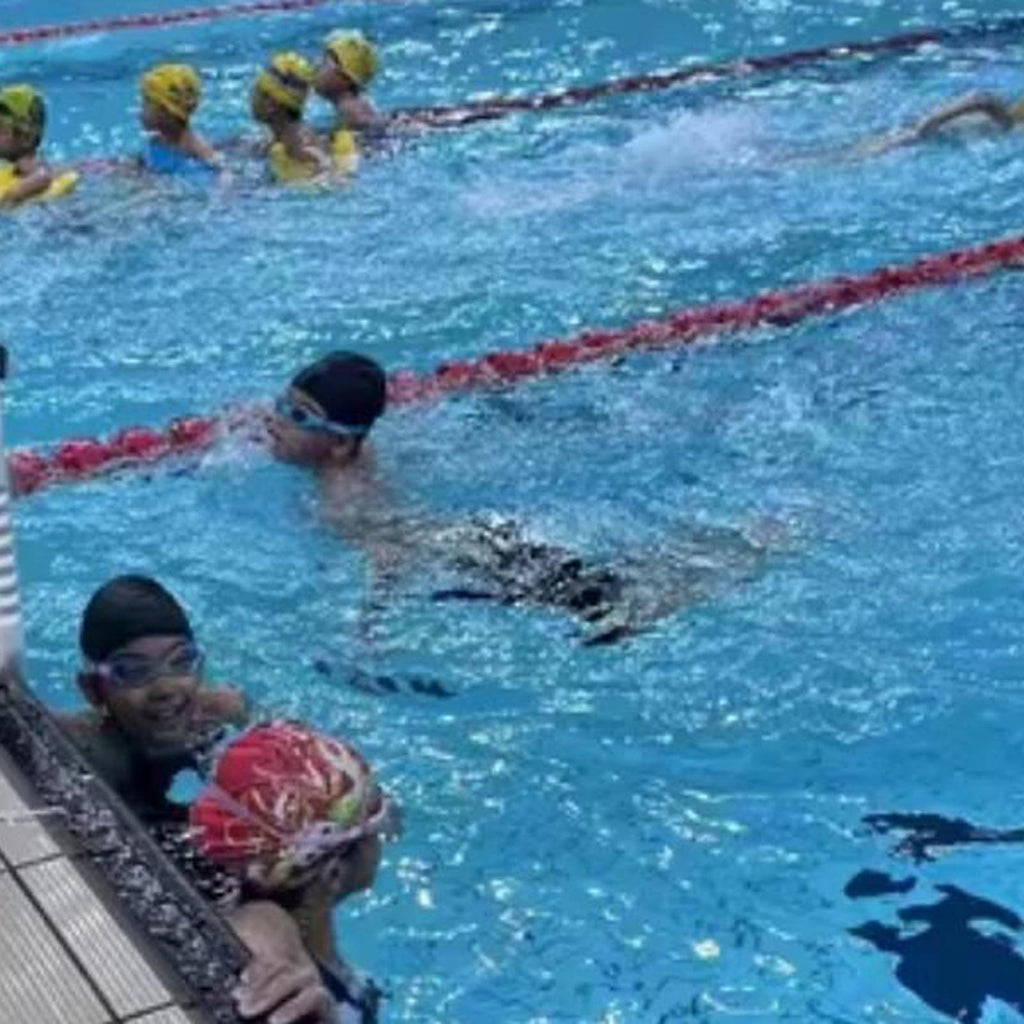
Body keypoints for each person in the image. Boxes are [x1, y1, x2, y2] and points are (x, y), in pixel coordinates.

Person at [270, 351, 776, 646]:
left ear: (339, 445)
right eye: (281, 405)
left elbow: (389, 558)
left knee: (614, 617)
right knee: (607, 594)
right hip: (472, 538)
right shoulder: (357, 454)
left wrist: (368, 627)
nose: (274, 421)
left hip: (470, 556)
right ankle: (728, 552)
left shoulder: (341, 501)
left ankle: (746, 550)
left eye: (297, 416)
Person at [190, 720, 397, 1021]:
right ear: (333, 873)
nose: (385, 836)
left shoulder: (237, 895)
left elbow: (252, 918)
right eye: (377, 826)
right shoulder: (316, 1001)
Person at [60, 575, 247, 823]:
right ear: (93, 690)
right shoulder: (84, 748)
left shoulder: (223, 712)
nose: (164, 688)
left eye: (180, 661)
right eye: (133, 671)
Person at [863, 89, 1024, 155]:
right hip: (930, 132)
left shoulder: (1007, 125)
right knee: (885, 147)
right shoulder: (1007, 124)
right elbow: (982, 98)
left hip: (933, 134)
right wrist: (932, 121)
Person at [252, 53, 331, 184]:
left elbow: (324, 164)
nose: (252, 99)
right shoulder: (286, 133)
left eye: (258, 93)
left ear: (271, 103)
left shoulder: (296, 143)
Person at [314, 31, 382, 173]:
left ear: (345, 76)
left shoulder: (353, 114)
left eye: (324, 61)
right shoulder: (356, 108)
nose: (316, 65)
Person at [138, 63, 225, 176]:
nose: (141, 109)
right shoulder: (159, 140)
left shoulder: (198, 149)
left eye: (147, 102)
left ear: (166, 111)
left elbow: (220, 169)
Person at [0, 84, 78, 207]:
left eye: (1, 127)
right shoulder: (7, 174)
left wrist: (13, 196)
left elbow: (42, 178)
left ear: (26, 137)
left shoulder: (42, 179)